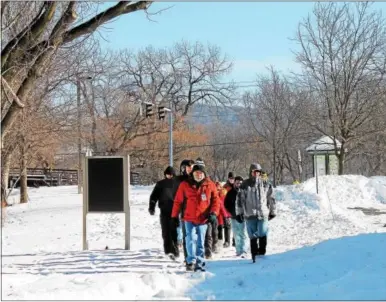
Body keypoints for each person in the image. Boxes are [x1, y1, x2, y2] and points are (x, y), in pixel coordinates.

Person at [171, 163, 220, 271]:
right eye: (196, 173)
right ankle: (190, 261)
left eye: (201, 173)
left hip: (203, 219)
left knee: (200, 241)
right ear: (192, 174)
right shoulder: (184, 184)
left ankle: (200, 261)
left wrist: (213, 213)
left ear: (204, 174)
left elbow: (216, 201)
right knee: (190, 239)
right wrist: (174, 216)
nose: (199, 175)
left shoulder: (210, 185)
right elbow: (178, 201)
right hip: (189, 218)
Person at [235, 163, 276, 263]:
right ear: (251, 172)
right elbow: (240, 200)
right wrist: (239, 212)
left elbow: (271, 198)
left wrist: (272, 211)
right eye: (254, 171)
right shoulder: (245, 184)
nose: (256, 174)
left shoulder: (265, 183)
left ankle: (261, 254)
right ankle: (254, 256)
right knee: (252, 235)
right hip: (250, 214)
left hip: (263, 213)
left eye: (258, 172)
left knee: (262, 232)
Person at [148, 166, 180, 259]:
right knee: (165, 231)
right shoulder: (160, 184)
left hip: (175, 211)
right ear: (165, 174)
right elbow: (154, 196)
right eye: (167, 174)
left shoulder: (178, 184)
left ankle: (175, 249)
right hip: (164, 211)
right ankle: (168, 251)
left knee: (173, 231)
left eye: (171, 174)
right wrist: (151, 207)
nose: (169, 176)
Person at [175, 159, 195, 262]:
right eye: (188, 167)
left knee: (197, 236)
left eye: (191, 167)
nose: (190, 169)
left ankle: (196, 257)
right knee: (187, 236)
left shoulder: (197, 178)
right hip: (184, 212)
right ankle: (188, 259)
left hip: (197, 211)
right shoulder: (179, 181)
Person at [224, 176, 248, 257]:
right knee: (236, 234)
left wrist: (245, 213)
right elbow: (226, 204)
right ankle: (238, 250)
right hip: (234, 217)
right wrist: (231, 212)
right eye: (237, 183)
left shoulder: (245, 191)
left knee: (242, 233)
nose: (239, 184)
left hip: (243, 216)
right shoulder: (230, 192)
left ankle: (244, 250)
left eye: (240, 183)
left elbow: (248, 203)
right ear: (234, 183)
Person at [216, 181, 232, 248]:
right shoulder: (216, 193)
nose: (218, 187)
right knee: (219, 227)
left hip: (225, 212)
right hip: (219, 213)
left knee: (226, 227)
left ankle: (227, 242)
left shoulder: (224, 192)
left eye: (219, 186)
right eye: (217, 186)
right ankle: (220, 242)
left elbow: (224, 203)